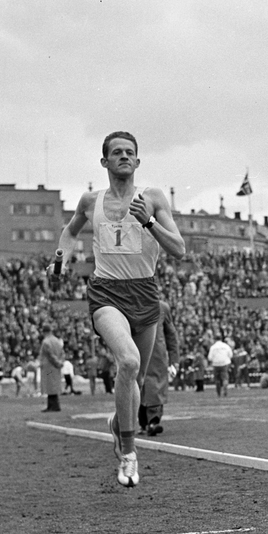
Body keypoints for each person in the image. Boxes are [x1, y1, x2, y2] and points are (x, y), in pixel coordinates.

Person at [55, 130, 185, 487]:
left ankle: (118, 423)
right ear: (105, 162)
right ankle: (128, 453)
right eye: (117, 152)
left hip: (145, 293)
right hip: (106, 293)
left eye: (130, 152)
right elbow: (69, 233)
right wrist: (62, 258)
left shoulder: (153, 198)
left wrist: (149, 222)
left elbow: (179, 249)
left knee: (137, 382)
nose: (124, 156)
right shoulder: (90, 201)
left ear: (138, 162)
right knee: (128, 361)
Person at [139, 299, 178, 435]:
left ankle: (153, 422)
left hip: (157, 358)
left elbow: (171, 335)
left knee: (155, 389)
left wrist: (174, 360)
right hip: (136, 355)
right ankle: (144, 423)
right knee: (138, 389)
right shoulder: (128, 305)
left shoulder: (162, 307)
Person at [39, 325, 64, 413]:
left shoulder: (46, 342)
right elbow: (62, 353)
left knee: (50, 386)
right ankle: (51, 405)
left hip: (49, 366)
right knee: (54, 386)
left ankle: (54, 406)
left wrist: (57, 362)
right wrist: (61, 362)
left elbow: (50, 355)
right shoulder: (57, 341)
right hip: (56, 367)